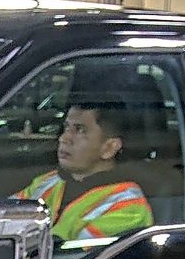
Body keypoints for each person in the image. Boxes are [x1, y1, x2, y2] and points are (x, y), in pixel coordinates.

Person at [14, 100, 151, 242]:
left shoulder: (128, 207)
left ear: (109, 148)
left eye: (80, 130)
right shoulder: (48, 182)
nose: (63, 138)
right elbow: (4, 217)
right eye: (66, 127)